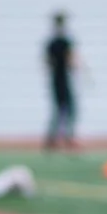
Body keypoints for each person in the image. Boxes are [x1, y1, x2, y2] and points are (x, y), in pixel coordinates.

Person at [43, 15, 80, 149]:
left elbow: (47, 63)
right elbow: (72, 61)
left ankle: (52, 140)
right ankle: (68, 138)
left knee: (58, 111)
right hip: (63, 79)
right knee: (69, 109)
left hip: (55, 79)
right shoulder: (65, 42)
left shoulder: (51, 43)